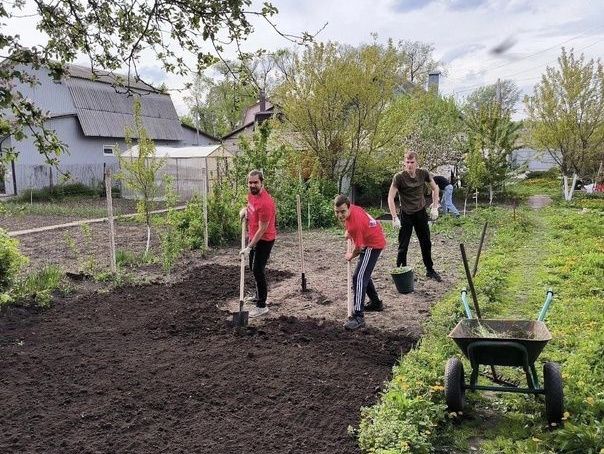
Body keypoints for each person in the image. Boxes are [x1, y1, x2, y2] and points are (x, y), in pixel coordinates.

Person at [387, 151, 442, 282]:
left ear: (416, 162)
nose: (410, 165)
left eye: (412, 162)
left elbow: (435, 188)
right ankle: (401, 270)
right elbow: (390, 197)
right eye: (407, 162)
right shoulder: (399, 177)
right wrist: (394, 217)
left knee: (426, 242)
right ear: (404, 163)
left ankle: (430, 270)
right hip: (406, 213)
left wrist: (435, 206)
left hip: (420, 213)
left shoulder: (423, 173)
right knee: (403, 244)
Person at [334, 194, 386, 331]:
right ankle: (375, 303)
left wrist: (350, 255)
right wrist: (348, 232)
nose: (340, 215)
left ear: (349, 207)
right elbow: (353, 227)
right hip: (371, 237)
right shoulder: (354, 210)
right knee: (363, 273)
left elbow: (359, 248)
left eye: (343, 211)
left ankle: (358, 316)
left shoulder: (355, 225)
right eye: (337, 212)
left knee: (359, 277)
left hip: (372, 244)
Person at [239, 170, 277, 318]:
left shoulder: (266, 202)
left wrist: (249, 247)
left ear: (262, 183)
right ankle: (257, 295)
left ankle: (262, 306)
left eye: (256, 182)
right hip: (254, 235)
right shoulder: (251, 194)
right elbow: (251, 207)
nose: (253, 185)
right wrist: (245, 210)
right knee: (252, 266)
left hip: (265, 239)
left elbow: (263, 229)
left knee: (258, 270)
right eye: (250, 182)